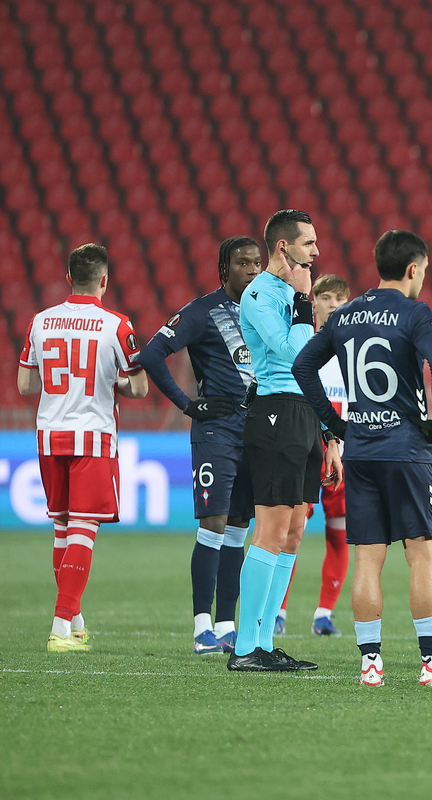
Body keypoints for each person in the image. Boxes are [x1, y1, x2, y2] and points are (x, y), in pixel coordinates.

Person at [293, 229, 432, 688]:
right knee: (423, 555)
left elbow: (303, 367)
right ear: (414, 269)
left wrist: (335, 425)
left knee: (367, 560)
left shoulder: (346, 315)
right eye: (425, 272)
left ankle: (370, 664)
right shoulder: (415, 312)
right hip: (407, 451)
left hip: (363, 452)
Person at [17, 243, 149, 651]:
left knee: (62, 528)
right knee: (83, 529)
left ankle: (75, 621)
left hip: (49, 433)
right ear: (104, 280)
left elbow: (25, 385)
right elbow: (140, 388)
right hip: (92, 434)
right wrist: (111, 382)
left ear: (68, 277)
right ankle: (60, 627)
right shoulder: (117, 325)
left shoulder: (40, 321)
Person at [228, 210, 341, 672]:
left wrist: (330, 434)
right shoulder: (261, 295)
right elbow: (296, 353)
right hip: (274, 414)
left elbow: (314, 367)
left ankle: (265, 641)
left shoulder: (296, 295)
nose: (316, 251)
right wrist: (300, 304)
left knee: (294, 532)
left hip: (302, 417)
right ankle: (245, 647)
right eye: (308, 243)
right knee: (271, 531)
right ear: (283, 247)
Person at [140, 236, 262, 654]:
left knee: (238, 530)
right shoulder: (202, 311)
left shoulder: (264, 313)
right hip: (217, 432)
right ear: (224, 271)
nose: (252, 269)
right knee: (213, 524)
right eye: (242, 263)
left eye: (257, 262)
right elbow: (153, 354)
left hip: (257, 432)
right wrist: (187, 405)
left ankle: (228, 626)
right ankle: (201, 628)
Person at [276, 273, 351, 636]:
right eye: (326, 297)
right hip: (307, 449)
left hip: (346, 455)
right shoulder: (305, 347)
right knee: (293, 530)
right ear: (314, 302)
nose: (334, 304)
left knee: (340, 535)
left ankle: (324, 614)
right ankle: (278, 610)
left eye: (340, 298)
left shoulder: (356, 353)